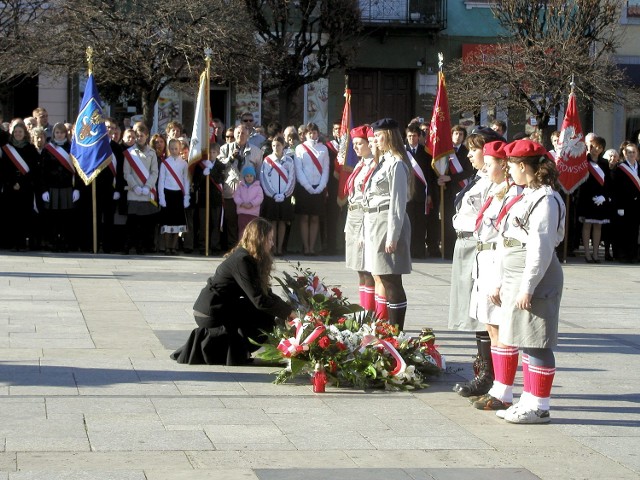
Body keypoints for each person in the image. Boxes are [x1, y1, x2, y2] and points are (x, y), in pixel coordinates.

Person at [490, 139, 565, 424]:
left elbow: (541, 247)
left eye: (511, 165)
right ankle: (529, 399)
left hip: (536, 275)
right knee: (525, 338)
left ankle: (540, 405)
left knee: (538, 341)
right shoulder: (529, 195)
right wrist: (500, 281)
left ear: (523, 166)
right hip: (516, 272)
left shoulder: (546, 198)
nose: (509, 171)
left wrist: (528, 286)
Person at [170, 218, 295, 365]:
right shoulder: (242, 260)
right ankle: (235, 351)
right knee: (263, 315)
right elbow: (259, 300)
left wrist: (289, 310)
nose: (272, 244)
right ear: (260, 239)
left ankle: (237, 349)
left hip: (220, 306)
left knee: (262, 311)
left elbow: (265, 293)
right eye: (270, 239)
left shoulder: (248, 258)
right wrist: (289, 313)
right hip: (211, 311)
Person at [468, 141, 524, 411]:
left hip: (496, 261)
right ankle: (498, 386)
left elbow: (504, 236)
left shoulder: (512, 193)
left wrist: (500, 278)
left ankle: (504, 388)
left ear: (504, 165)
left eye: (490, 164)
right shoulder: (495, 191)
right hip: (483, 259)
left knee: (500, 327)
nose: (486, 168)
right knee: (490, 326)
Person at [450, 129, 499, 399]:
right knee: (476, 314)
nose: (468, 154)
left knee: (484, 315)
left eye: (473, 149)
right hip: (466, 245)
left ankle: (488, 376)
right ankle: (484, 373)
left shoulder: (494, 181)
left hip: (479, 245)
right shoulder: (479, 177)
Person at [362, 118, 412, 330]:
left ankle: (396, 331)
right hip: (376, 221)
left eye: (378, 135)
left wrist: (393, 235)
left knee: (391, 279)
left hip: (388, 222)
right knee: (381, 275)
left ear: (389, 135)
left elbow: (398, 202)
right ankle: (386, 329)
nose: (375, 140)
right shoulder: (383, 161)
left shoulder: (397, 163)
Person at [345, 125, 377, 313]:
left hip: (364, 216)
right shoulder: (360, 164)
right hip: (353, 216)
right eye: (354, 144)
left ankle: (370, 311)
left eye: (359, 143)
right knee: (359, 266)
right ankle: (364, 310)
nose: (356, 147)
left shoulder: (373, 164)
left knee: (367, 268)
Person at [218, 124, 263, 249]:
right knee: (231, 220)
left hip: (248, 193)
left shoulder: (256, 151)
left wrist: (257, 191)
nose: (240, 136)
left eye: (243, 133)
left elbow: (259, 173)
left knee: (247, 223)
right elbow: (219, 167)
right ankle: (233, 247)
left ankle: (247, 247)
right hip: (231, 189)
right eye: (237, 133)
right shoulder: (224, 149)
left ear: (248, 135)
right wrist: (231, 158)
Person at [0, 121, 41, 251]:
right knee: (10, 215)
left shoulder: (30, 149)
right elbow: (3, 169)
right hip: (10, 187)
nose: (18, 134)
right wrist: (12, 182)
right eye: (15, 132)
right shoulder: (6, 149)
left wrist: (21, 183)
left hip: (26, 187)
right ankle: (11, 242)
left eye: (20, 132)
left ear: (25, 134)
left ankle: (22, 243)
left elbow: (34, 169)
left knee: (24, 216)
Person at [40, 122, 79, 252]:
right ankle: (53, 242)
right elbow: (43, 171)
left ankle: (65, 242)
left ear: (65, 134)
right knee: (53, 217)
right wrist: (44, 189)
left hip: (67, 187)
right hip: (52, 187)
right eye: (57, 132)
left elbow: (78, 170)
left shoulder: (72, 148)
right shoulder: (47, 149)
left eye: (62, 132)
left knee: (66, 217)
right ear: (53, 133)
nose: (60, 134)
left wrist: (77, 188)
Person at [439, 125, 475, 259]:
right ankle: (447, 251)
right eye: (455, 134)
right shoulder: (445, 151)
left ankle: (455, 250)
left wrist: (451, 178)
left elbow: (468, 171)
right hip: (446, 190)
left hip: (460, 190)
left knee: (458, 221)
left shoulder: (466, 152)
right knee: (447, 220)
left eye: (460, 134)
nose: (458, 136)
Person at [123, 123, 159, 254]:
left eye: (141, 136)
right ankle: (127, 246)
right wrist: (135, 186)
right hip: (134, 192)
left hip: (146, 192)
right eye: (137, 136)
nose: (139, 138)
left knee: (144, 223)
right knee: (132, 222)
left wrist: (147, 187)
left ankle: (141, 247)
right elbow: (127, 173)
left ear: (147, 136)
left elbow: (154, 172)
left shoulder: (152, 153)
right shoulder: (129, 153)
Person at [294, 122, 330, 256]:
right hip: (304, 187)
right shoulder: (300, 148)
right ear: (305, 134)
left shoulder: (323, 149)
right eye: (310, 132)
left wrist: (321, 186)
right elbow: (299, 170)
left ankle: (312, 248)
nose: (312, 134)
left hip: (319, 187)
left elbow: (326, 168)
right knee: (304, 217)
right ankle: (306, 247)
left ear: (318, 133)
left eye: (314, 132)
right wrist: (308, 187)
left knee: (315, 218)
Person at [260, 135, 296, 256]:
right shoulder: (267, 160)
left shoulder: (289, 161)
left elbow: (292, 179)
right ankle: (272, 247)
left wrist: (285, 194)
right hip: (272, 197)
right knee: (272, 222)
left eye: (278, 145)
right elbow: (264, 179)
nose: (276, 148)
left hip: (285, 196)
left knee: (282, 222)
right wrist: (273, 194)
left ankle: (280, 247)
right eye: (274, 146)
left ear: (283, 146)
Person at [577, 135, 610, 263]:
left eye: (599, 147)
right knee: (587, 225)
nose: (596, 149)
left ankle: (596, 254)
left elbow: (608, 182)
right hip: (587, 197)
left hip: (600, 199)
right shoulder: (584, 161)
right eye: (594, 146)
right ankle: (587, 253)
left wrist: (604, 196)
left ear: (602, 149)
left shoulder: (604, 163)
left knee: (598, 226)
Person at [405, 123, 435, 259]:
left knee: (421, 224)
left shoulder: (425, 152)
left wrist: (429, 194)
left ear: (419, 137)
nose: (412, 138)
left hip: (422, 194)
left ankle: (419, 251)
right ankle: (408, 251)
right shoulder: (402, 152)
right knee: (408, 223)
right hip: (407, 194)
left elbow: (429, 175)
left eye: (414, 136)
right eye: (409, 136)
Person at [158, 138, 190, 255]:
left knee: (177, 222)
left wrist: (186, 196)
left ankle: (174, 247)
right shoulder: (165, 163)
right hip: (168, 193)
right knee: (167, 222)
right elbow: (161, 180)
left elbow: (186, 180)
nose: (174, 150)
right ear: (169, 149)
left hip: (178, 195)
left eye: (176, 148)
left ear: (180, 149)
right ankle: (166, 247)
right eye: (171, 148)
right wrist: (161, 197)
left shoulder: (184, 163)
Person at [610, 141, 640, 263]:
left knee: (634, 230)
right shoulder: (620, 168)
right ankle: (622, 255)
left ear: (637, 153)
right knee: (623, 230)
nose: (631, 154)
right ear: (624, 153)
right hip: (624, 205)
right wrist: (619, 207)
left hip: (637, 205)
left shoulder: (639, 167)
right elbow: (616, 189)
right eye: (629, 152)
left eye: (633, 152)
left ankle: (633, 254)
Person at [194, 143, 225, 255]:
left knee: (215, 223)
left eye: (213, 152)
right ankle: (203, 246)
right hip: (203, 198)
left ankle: (215, 245)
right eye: (209, 153)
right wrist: (203, 174)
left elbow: (220, 180)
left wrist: (211, 171)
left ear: (217, 153)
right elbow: (196, 182)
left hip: (215, 199)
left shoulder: (221, 165)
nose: (211, 155)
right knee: (203, 223)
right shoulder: (200, 166)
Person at [233, 165, 264, 240]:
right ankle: (242, 248)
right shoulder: (240, 187)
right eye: (247, 176)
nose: (249, 178)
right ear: (244, 177)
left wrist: (251, 204)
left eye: (251, 176)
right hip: (242, 214)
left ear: (254, 177)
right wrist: (242, 204)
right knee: (242, 231)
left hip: (253, 214)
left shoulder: (258, 187)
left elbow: (260, 198)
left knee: (253, 232)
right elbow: (236, 196)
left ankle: (252, 249)